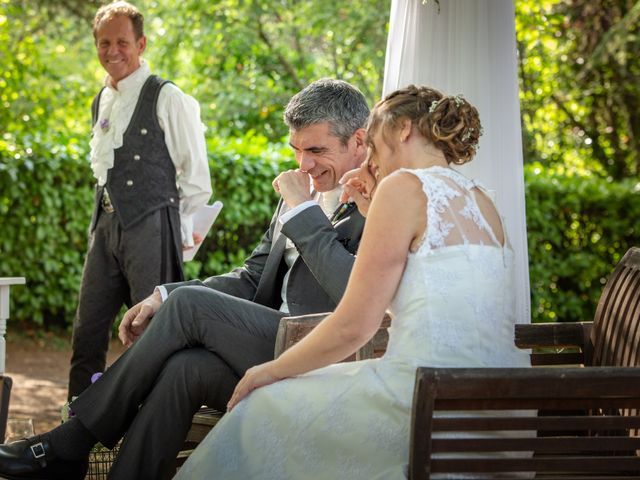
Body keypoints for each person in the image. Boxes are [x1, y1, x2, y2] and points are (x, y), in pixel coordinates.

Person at [0, 78, 369, 480]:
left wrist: (301, 210)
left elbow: (352, 291)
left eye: (316, 150)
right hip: (269, 347)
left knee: (191, 306)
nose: (304, 166)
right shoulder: (299, 193)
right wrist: (162, 295)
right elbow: (250, 277)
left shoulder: (377, 200)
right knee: (185, 368)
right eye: (296, 150)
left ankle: (71, 442)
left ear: (360, 141)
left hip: (323, 354)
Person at [174, 85, 532, 479]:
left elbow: (354, 326)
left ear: (405, 130)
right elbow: (424, 303)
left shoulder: (403, 187)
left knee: (260, 409)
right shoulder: (483, 199)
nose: (374, 164)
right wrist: (369, 208)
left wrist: (269, 371)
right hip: (500, 409)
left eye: (375, 148)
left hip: (422, 401)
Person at [68, 0, 212, 400]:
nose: (112, 50)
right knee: (87, 334)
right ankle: (72, 439)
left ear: (141, 43)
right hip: (105, 228)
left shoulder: (168, 97)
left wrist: (180, 235)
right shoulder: (101, 100)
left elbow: (197, 177)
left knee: (151, 337)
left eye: (121, 42)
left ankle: (144, 435)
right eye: (103, 42)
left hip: (153, 224)